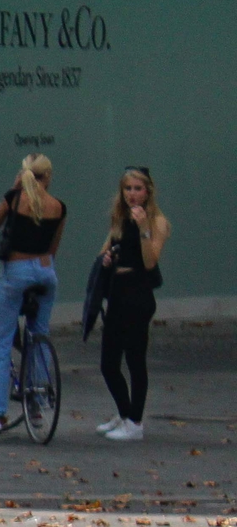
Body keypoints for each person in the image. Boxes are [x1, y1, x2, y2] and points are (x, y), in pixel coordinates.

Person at [0, 154, 66, 443]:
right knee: (38, 335)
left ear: (23, 174)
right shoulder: (59, 207)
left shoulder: (15, 198)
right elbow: (53, 248)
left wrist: (15, 188)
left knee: (1, 342)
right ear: (48, 176)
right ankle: (36, 406)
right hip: (46, 271)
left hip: (16, 271)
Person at [94, 167, 168, 442]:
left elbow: (150, 261)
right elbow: (105, 250)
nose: (133, 195)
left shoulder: (157, 221)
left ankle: (135, 421)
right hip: (118, 291)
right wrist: (107, 258)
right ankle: (124, 413)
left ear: (148, 191)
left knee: (135, 358)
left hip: (139, 293)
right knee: (108, 362)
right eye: (128, 189)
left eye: (138, 189)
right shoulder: (120, 218)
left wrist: (144, 229)